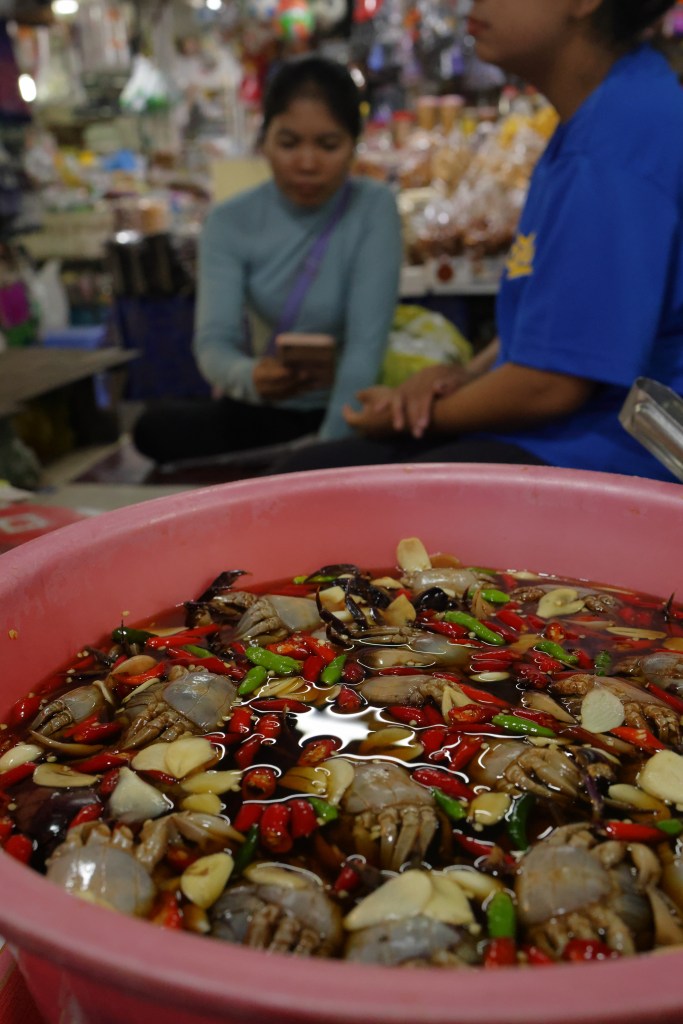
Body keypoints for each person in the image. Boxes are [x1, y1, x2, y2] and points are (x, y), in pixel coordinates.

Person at [270, 0, 683, 483]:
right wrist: (462, 378)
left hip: (608, 454)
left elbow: (551, 386)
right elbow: (557, 324)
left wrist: (417, 414)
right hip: (567, 433)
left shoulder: (614, 145)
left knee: (323, 488)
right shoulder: (610, 110)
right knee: (314, 472)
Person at [133, 55, 402, 465]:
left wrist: (327, 451)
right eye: (289, 143)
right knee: (153, 428)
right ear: (265, 141)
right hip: (268, 408)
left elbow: (365, 350)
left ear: (354, 146)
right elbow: (214, 343)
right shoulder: (229, 221)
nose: (307, 163)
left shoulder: (374, 207)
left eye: (328, 145)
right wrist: (250, 377)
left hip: (358, 406)